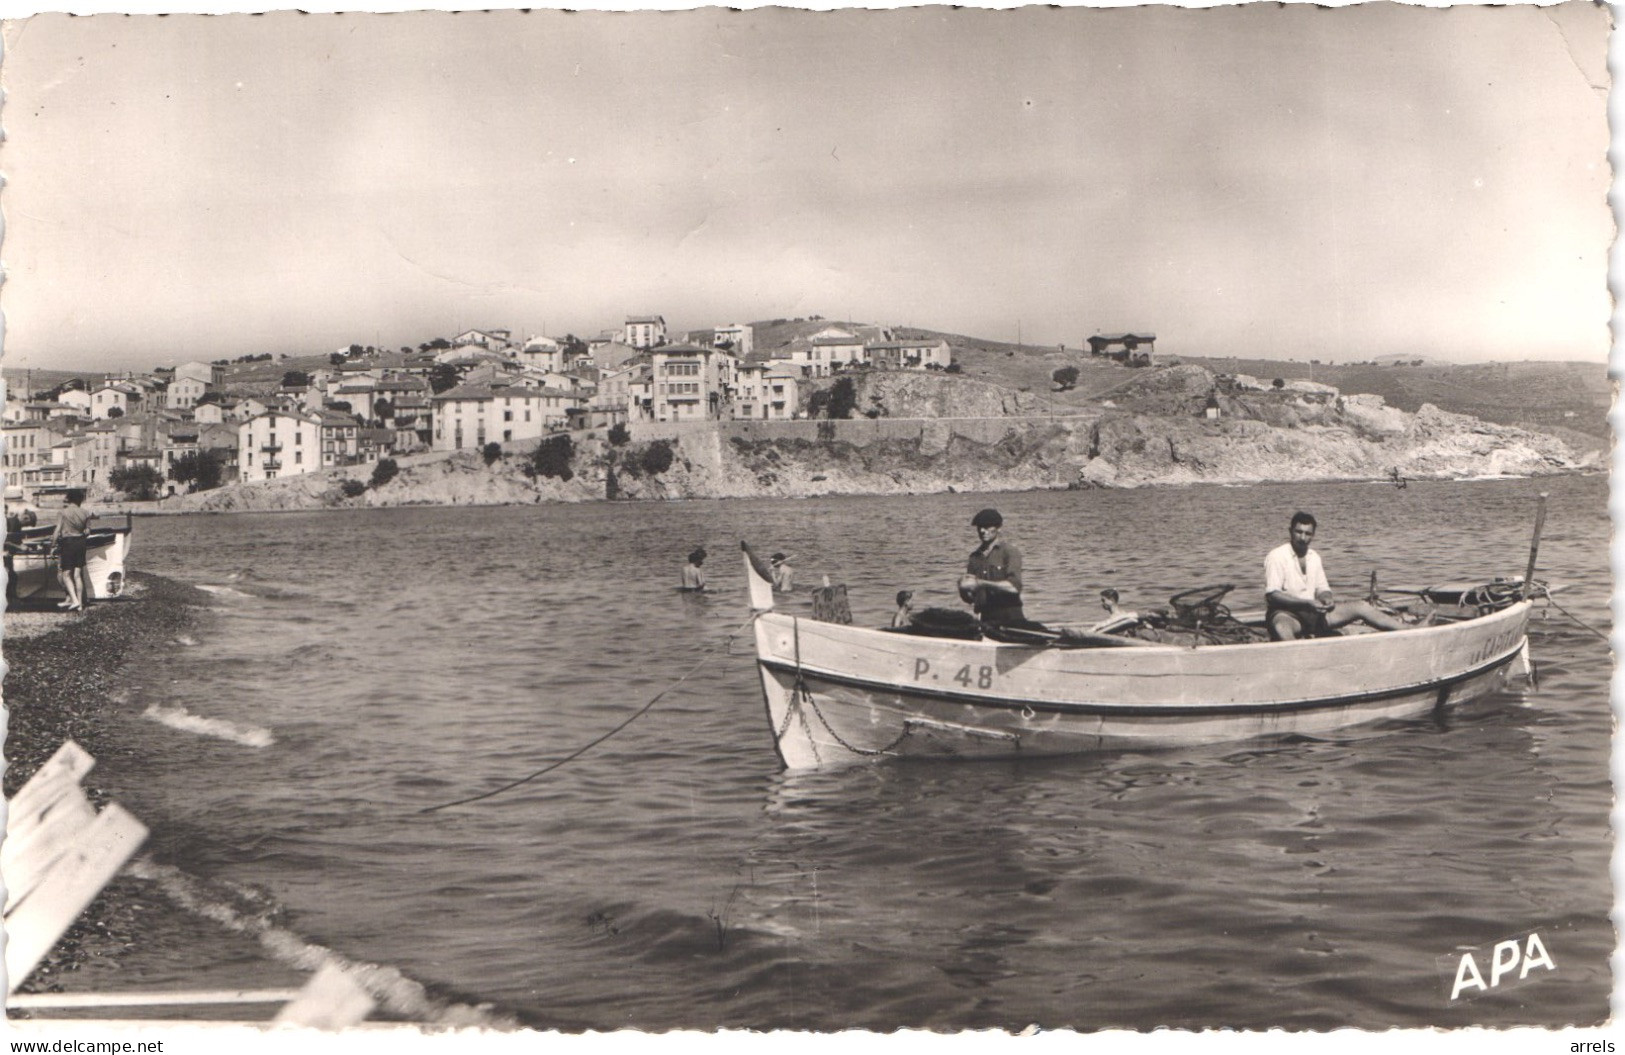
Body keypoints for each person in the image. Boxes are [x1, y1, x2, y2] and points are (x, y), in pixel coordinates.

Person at [1265, 511, 1404, 640]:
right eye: (1298, 532)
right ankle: (1298, 659)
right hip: (1287, 614)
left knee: (1361, 606)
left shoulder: (1314, 557)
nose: (1302, 538)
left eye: (1308, 534)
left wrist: (1327, 599)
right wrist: (1306, 603)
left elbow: (1322, 589)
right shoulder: (1277, 556)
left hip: (1313, 614)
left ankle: (1410, 629)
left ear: (1313, 535)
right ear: (1290, 531)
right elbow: (1272, 595)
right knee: (1282, 627)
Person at [958, 508, 1026, 626]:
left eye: (987, 526)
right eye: (979, 527)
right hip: (986, 619)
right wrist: (962, 589)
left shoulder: (1009, 552)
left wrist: (980, 583)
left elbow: (1014, 588)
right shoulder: (974, 557)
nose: (982, 531)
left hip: (1011, 618)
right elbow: (970, 599)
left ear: (999, 528)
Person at [52, 487, 95, 612]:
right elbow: (87, 532)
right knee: (77, 575)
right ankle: (80, 605)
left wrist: (53, 545)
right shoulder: (86, 513)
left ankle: (74, 600)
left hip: (68, 543)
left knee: (66, 574)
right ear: (80, 500)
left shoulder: (63, 513)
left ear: (69, 499)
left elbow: (57, 530)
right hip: (81, 543)